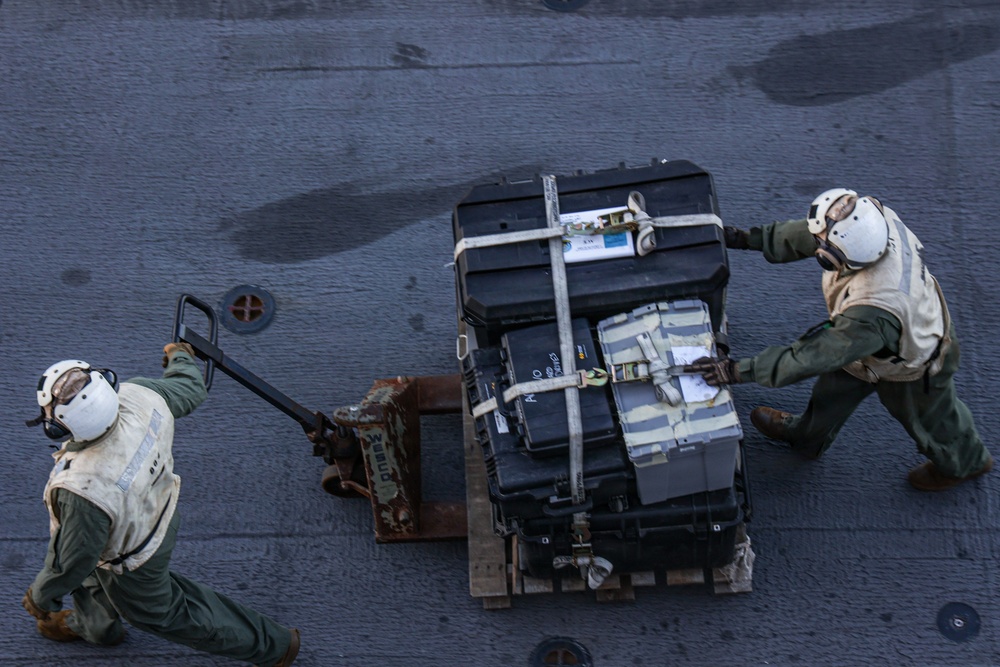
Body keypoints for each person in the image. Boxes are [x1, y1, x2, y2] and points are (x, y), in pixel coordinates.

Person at [685, 188, 993, 491]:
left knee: (933, 420)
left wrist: (737, 370)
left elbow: (810, 356)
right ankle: (806, 438)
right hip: (871, 349)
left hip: (915, 362)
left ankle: (966, 463)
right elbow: (815, 234)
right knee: (829, 396)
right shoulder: (870, 217)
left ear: (832, 258)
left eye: (821, 246)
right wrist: (746, 238)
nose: (815, 243)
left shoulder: (871, 311)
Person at [21, 344, 300, 666]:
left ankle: (275, 646)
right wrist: (181, 356)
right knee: (95, 573)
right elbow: (190, 389)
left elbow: (71, 560)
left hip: (136, 554)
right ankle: (97, 628)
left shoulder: (83, 487)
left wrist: (41, 596)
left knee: (164, 612)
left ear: (59, 426)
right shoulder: (139, 396)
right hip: (156, 511)